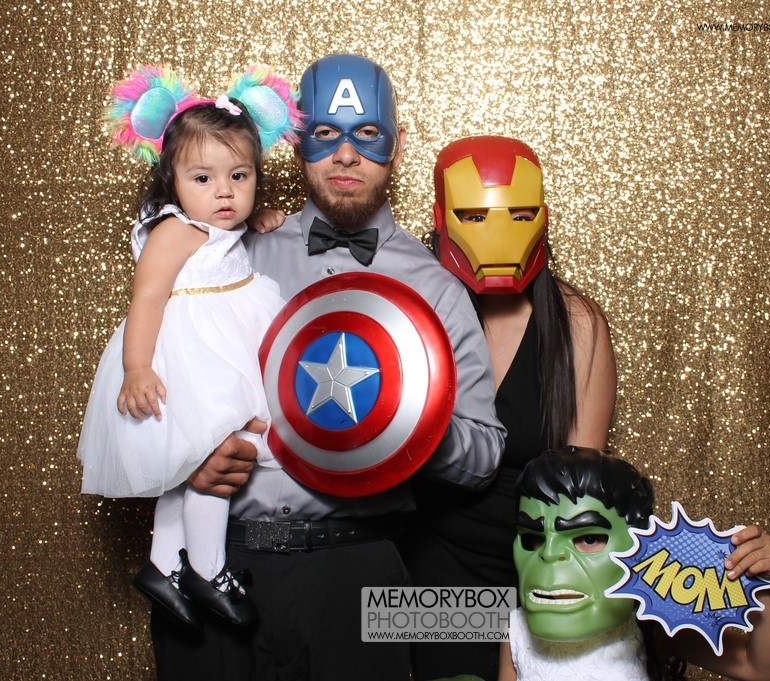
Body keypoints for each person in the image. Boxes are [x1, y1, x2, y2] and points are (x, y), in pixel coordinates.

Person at [150, 54, 505, 681]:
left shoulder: (437, 286)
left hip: (360, 573)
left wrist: (407, 420)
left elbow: (484, 457)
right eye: (325, 133)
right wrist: (188, 457)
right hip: (218, 565)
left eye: (367, 134)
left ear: (397, 146)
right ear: (297, 145)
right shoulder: (228, 252)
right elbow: (152, 381)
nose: (345, 155)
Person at [77, 66, 301, 628]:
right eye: (203, 178)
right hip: (191, 356)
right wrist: (136, 368)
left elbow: (232, 229)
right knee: (218, 452)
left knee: (193, 465)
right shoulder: (175, 230)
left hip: (225, 345)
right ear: (172, 181)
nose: (224, 191)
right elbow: (147, 297)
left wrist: (258, 218)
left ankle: (163, 565)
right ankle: (208, 568)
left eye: (239, 176)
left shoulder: (221, 225)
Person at [399, 135, 617, 680]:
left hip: (539, 577)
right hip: (422, 583)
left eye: (519, 215)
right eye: (474, 215)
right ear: (442, 219)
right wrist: (267, 229)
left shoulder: (576, 324)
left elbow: (580, 495)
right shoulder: (407, 307)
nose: (497, 232)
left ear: (542, 218)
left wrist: (534, 618)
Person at [500, 448, 770, 681]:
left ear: (640, 544)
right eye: (533, 539)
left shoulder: (653, 624)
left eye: (588, 538)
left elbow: (765, 670)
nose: (550, 554)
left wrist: (756, 583)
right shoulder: (516, 628)